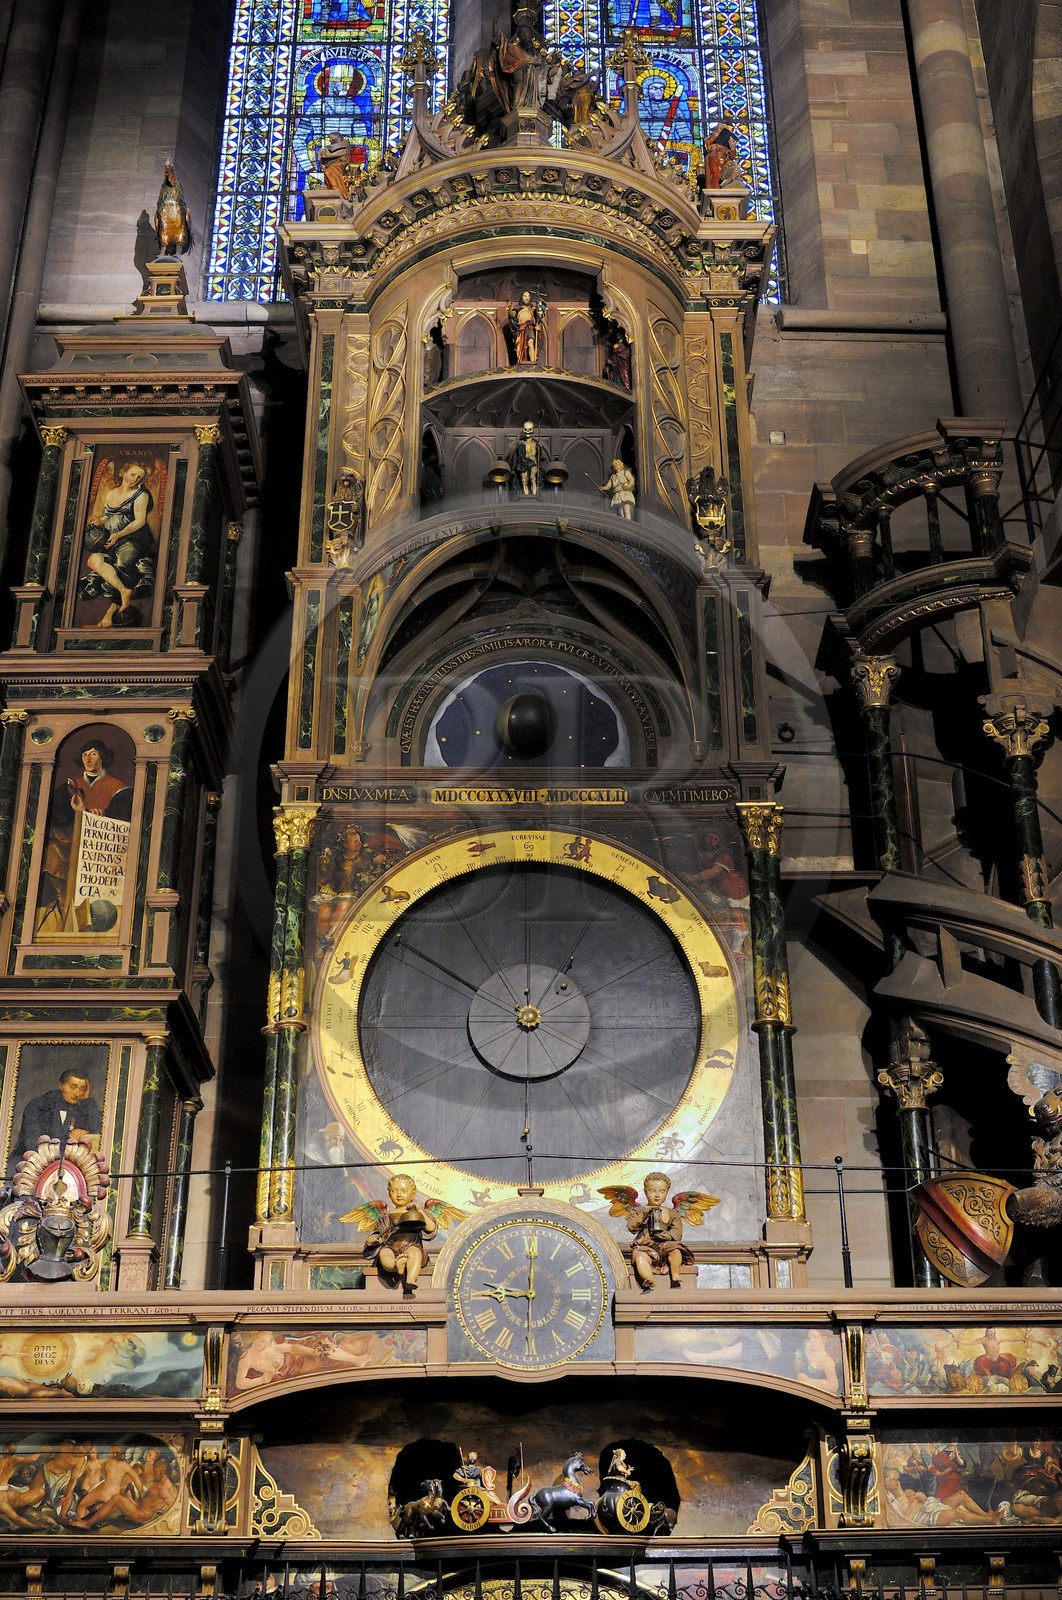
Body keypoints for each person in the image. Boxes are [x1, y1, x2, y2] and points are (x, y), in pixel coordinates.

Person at [80, 461, 156, 627]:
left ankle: (110, 614)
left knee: (121, 566)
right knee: (93, 561)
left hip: (133, 540)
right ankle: (123, 591)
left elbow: (140, 521)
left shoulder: (141, 495)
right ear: (123, 472)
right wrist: (100, 521)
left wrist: (118, 535)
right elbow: (109, 515)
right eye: (132, 474)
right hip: (111, 538)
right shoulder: (111, 494)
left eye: (139, 477)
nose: (135, 479)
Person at [363, 1173, 437, 1295]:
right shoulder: (387, 1217)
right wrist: (375, 1239)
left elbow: (431, 1228)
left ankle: (411, 1279)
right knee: (384, 1254)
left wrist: (418, 1211)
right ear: (389, 1193)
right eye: (394, 1191)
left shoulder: (416, 1213)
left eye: (403, 1191)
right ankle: (396, 1266)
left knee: (414, 1253)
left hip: (411, 1245)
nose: (398, 1194)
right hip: (391, 1247)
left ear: (413, 1194)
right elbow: (381, 1234)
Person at [11, 1069, 102, 1167]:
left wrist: (87, 1099)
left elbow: (96, 1132)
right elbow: (33, 1144)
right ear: (61, 1086)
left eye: (82, 1089)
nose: (77, 1093)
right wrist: (69, 1138)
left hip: (67, 1168)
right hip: (28, 1165)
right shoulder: (39, 1106)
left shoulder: (82, 1109)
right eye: (73, 1087)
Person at [628, 1172, 693, 1291]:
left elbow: (677, 1232)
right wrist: (644, 1215)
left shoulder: (672, 1213)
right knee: (640, 1257)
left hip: (665, 1245)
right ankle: (649, 1279)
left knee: (676, 1250)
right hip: (646, 1247)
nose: (657, 1195)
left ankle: (675, 1274)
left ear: (667, 1192)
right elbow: (632, 1227)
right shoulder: (638, 1211)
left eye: (662, 1191)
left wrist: (668, 1236)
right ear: (645, 1192)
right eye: (652, 1191)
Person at [67, 741, 131, 822]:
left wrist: (104, 814)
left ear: (102, 757)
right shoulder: (72, 785)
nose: (88, 760)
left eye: (93, 754)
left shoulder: (118, 786)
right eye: (84, 755)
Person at [508, 291, 543, 363]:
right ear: (522, 298)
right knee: (521, 347)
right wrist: (510, 307)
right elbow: (512, 315)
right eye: (525, 296)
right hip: (521, 329)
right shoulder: (518, 309)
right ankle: (521, 361)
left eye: (528, 296)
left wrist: (538, 326)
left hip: (530, 328)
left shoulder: (532, 309)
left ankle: (533, 362)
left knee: (530, 343)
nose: (526, 298)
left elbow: (537, 319)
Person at [508, 421, 541, 496]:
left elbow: (541, 457)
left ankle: (534, 495)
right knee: (524, 480)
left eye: (530, 429)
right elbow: (517, 456)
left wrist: (540, 449)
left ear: (533, 429)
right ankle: (526, 496)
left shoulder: (535, 444)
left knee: (533, 477)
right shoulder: (520, 444)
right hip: (523, 463)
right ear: (523, 430)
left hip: (533, 462)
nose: (528, 431)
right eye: (526, 429)